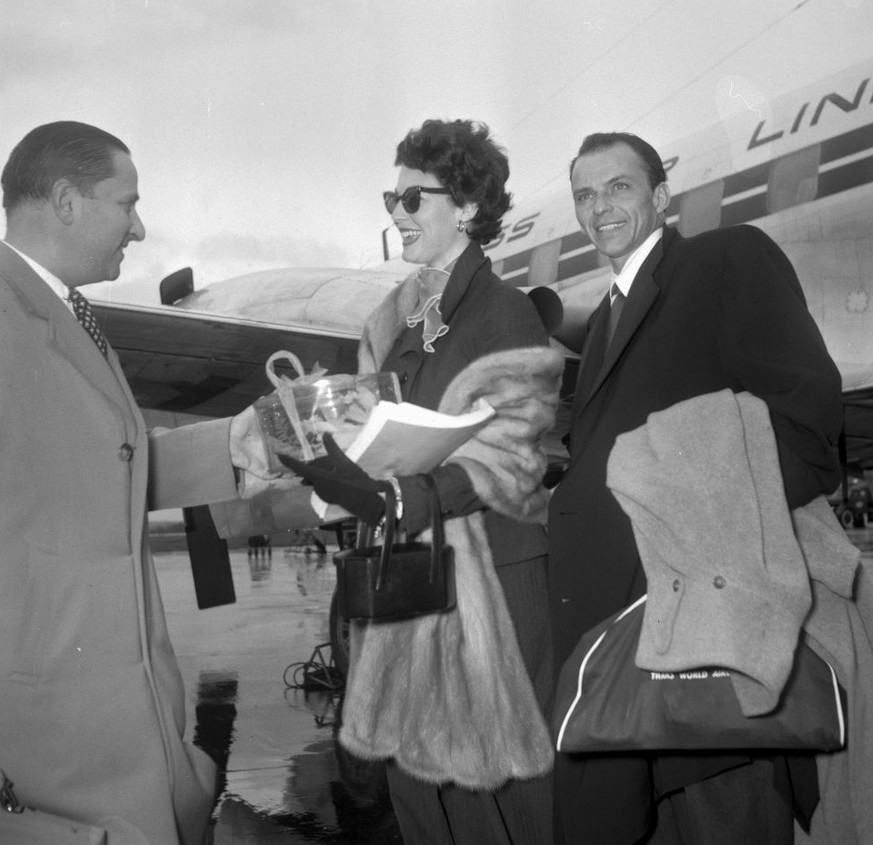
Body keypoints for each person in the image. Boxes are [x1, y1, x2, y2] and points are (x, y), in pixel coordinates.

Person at [548, 131, 843, 844]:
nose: (599, 207)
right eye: (584, 195)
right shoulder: (606, 318)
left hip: (709, 641)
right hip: (626, 649)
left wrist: (696, 531)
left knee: (726, 816)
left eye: (617, 187)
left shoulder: (722, 260)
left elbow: (805, 422)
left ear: (658, 196)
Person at [284, 119, 563, 845]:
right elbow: (382, 419)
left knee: (498, 788)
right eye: (390, 197)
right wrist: (334, 429)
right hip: (408, 564)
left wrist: (410, 489)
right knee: (417, 780)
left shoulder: (503, 313)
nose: (396, 214)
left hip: (489, 577)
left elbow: (512, 450)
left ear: (466, 207)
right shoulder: (394, 314)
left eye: (413, 199)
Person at [0, 121, 271, 844]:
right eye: (127, 203)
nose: (141, 227)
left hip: (126, 729)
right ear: (65, 200)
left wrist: (233, 445)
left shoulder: (61, 310)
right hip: (48, 755)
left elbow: (101, 467)